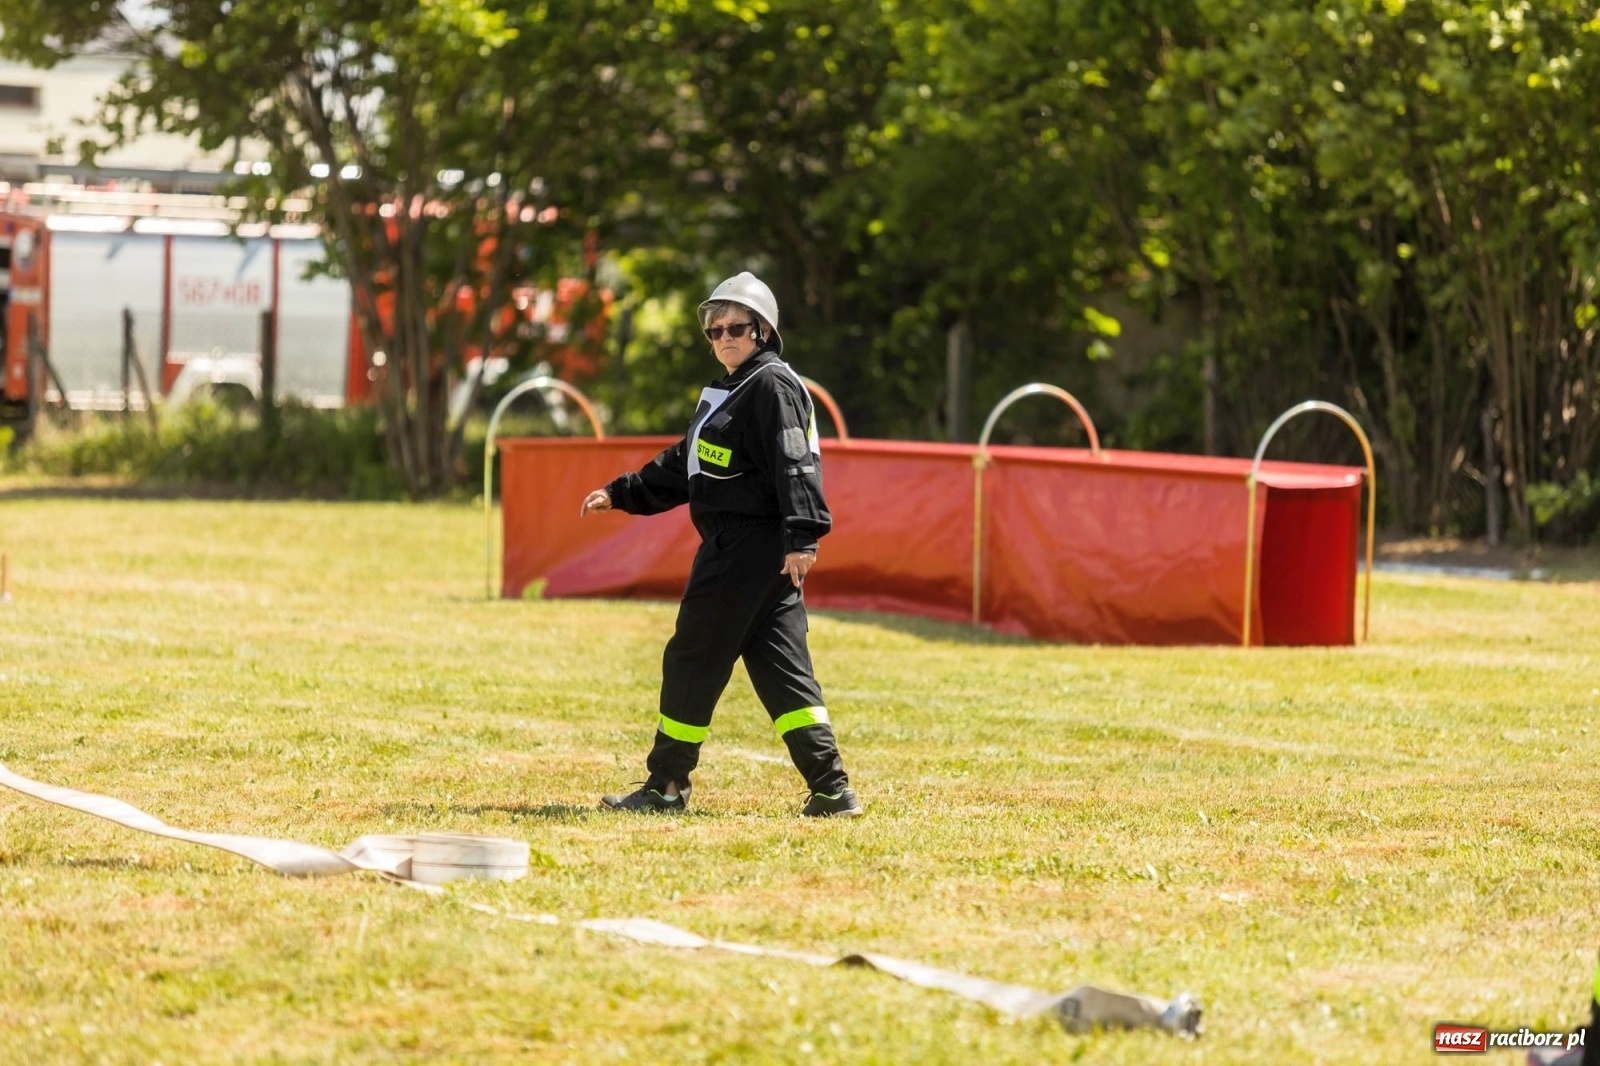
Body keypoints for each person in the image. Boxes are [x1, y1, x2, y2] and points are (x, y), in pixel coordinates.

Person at [579, 271, 863, 818]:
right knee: (783, 673)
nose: (724, 337)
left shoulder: (770, 386)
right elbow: (684, 463)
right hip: (760, 554)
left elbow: (794, 461)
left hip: (746, 548)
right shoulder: (732, 391)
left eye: (736, 327)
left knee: (692, 659)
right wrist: (622, 492)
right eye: (715, 330)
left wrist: (803, 534)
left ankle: (666, 786)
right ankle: (832, 790)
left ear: (763, 331)